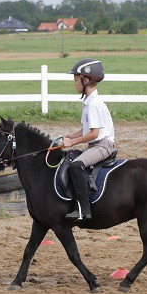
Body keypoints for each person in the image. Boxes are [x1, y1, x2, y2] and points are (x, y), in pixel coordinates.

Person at [61, 58, 115, 221]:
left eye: (76, 80)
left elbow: (94, 133)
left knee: (76, 165)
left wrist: (73, 142)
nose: (74, 84)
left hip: (102, 145)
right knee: (71, 157)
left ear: (85, 80)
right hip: (96, 144)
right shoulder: (89, 102)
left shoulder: (93, 104)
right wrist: (72, 135)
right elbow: (86, 129)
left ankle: (84, 210)